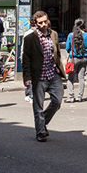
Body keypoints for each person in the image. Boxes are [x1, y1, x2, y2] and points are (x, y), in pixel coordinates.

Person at [22, 10, 66, 142]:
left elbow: (57, 53)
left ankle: (43, 122)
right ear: (35, 23)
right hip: (39, 76)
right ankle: (40, 132)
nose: (43, 24)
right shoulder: (30, 38)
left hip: (53, 74)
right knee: (38, 106)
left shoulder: (54, 35)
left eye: (45, 21)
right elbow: (26, 59)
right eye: (40, 22)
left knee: (57, 101)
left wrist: (60, 69)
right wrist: (27, 77)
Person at [65, 18, 87, 103]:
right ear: (84, 26)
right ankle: (79, 97)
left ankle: (71, 97)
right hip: (84, 59)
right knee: (81, 78)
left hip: (73, 59)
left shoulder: (71, 35)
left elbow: (67, 48)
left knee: (70, 78)